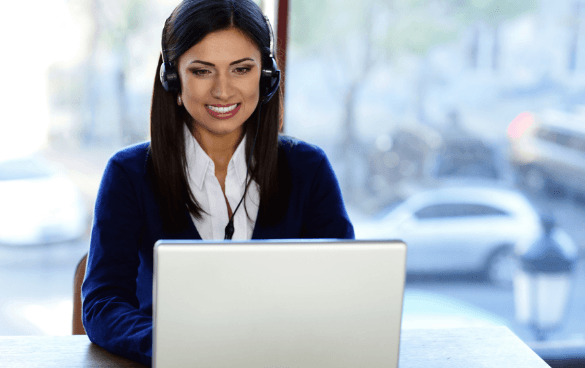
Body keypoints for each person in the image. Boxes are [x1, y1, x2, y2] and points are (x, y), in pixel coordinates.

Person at [81, 0, 354, 366]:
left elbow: (343, 292)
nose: (223, 91)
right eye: (202, 71)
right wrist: (177, 346)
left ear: (266, 77)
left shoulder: (308, 169)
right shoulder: (129, 174)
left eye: (241, 69)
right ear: (173, 79)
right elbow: (103, 303)